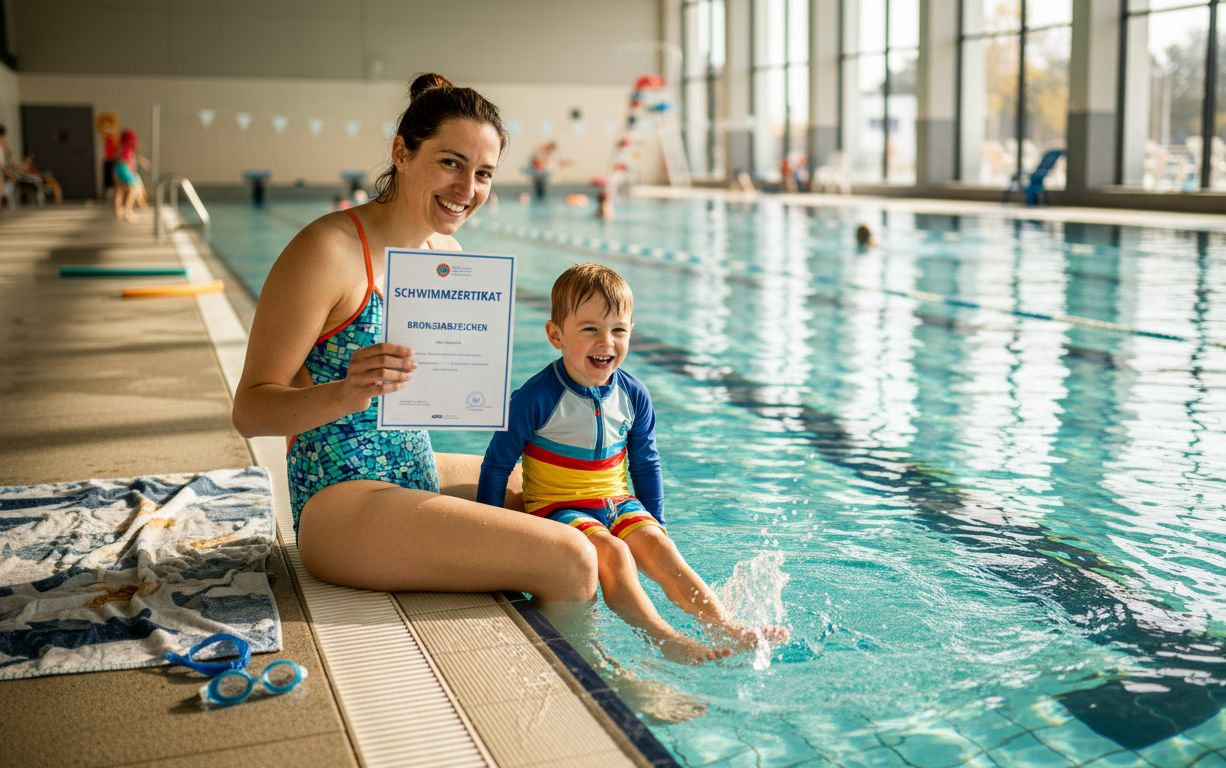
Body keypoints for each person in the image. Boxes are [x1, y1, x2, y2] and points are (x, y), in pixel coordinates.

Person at [232, 73, 599, 605]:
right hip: (342, 501)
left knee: (572, 499)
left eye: (483, 174)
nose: (467, 189)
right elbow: (250, 410)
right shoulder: (327, 251)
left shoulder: (443, 256)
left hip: (413, 468)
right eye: (451, 163)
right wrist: (345, 394)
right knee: (570, 558)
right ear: (402, 152)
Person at [478, 262, 789, 664]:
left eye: (618, 330)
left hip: (618, 503)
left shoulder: (633, 395)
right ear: (556, 335)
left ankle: (726, 626)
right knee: (615, 554)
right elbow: (496, 465)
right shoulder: (535, 398)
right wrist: (492, 536)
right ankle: (665, 638)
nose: (606, 342)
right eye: (590, 329)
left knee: (660, 549)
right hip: (560, 508)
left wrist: (655, 520)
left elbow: (646, 462)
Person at [112, 129, 148, 221]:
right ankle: (128, 212)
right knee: (134, 189)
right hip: (124, 168)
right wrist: (131, 170)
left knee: (119, 190)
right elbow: (127, 160)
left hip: (117, 168)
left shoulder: (120, 147)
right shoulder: (128, 148)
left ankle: (117, 211)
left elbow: (116, 158)